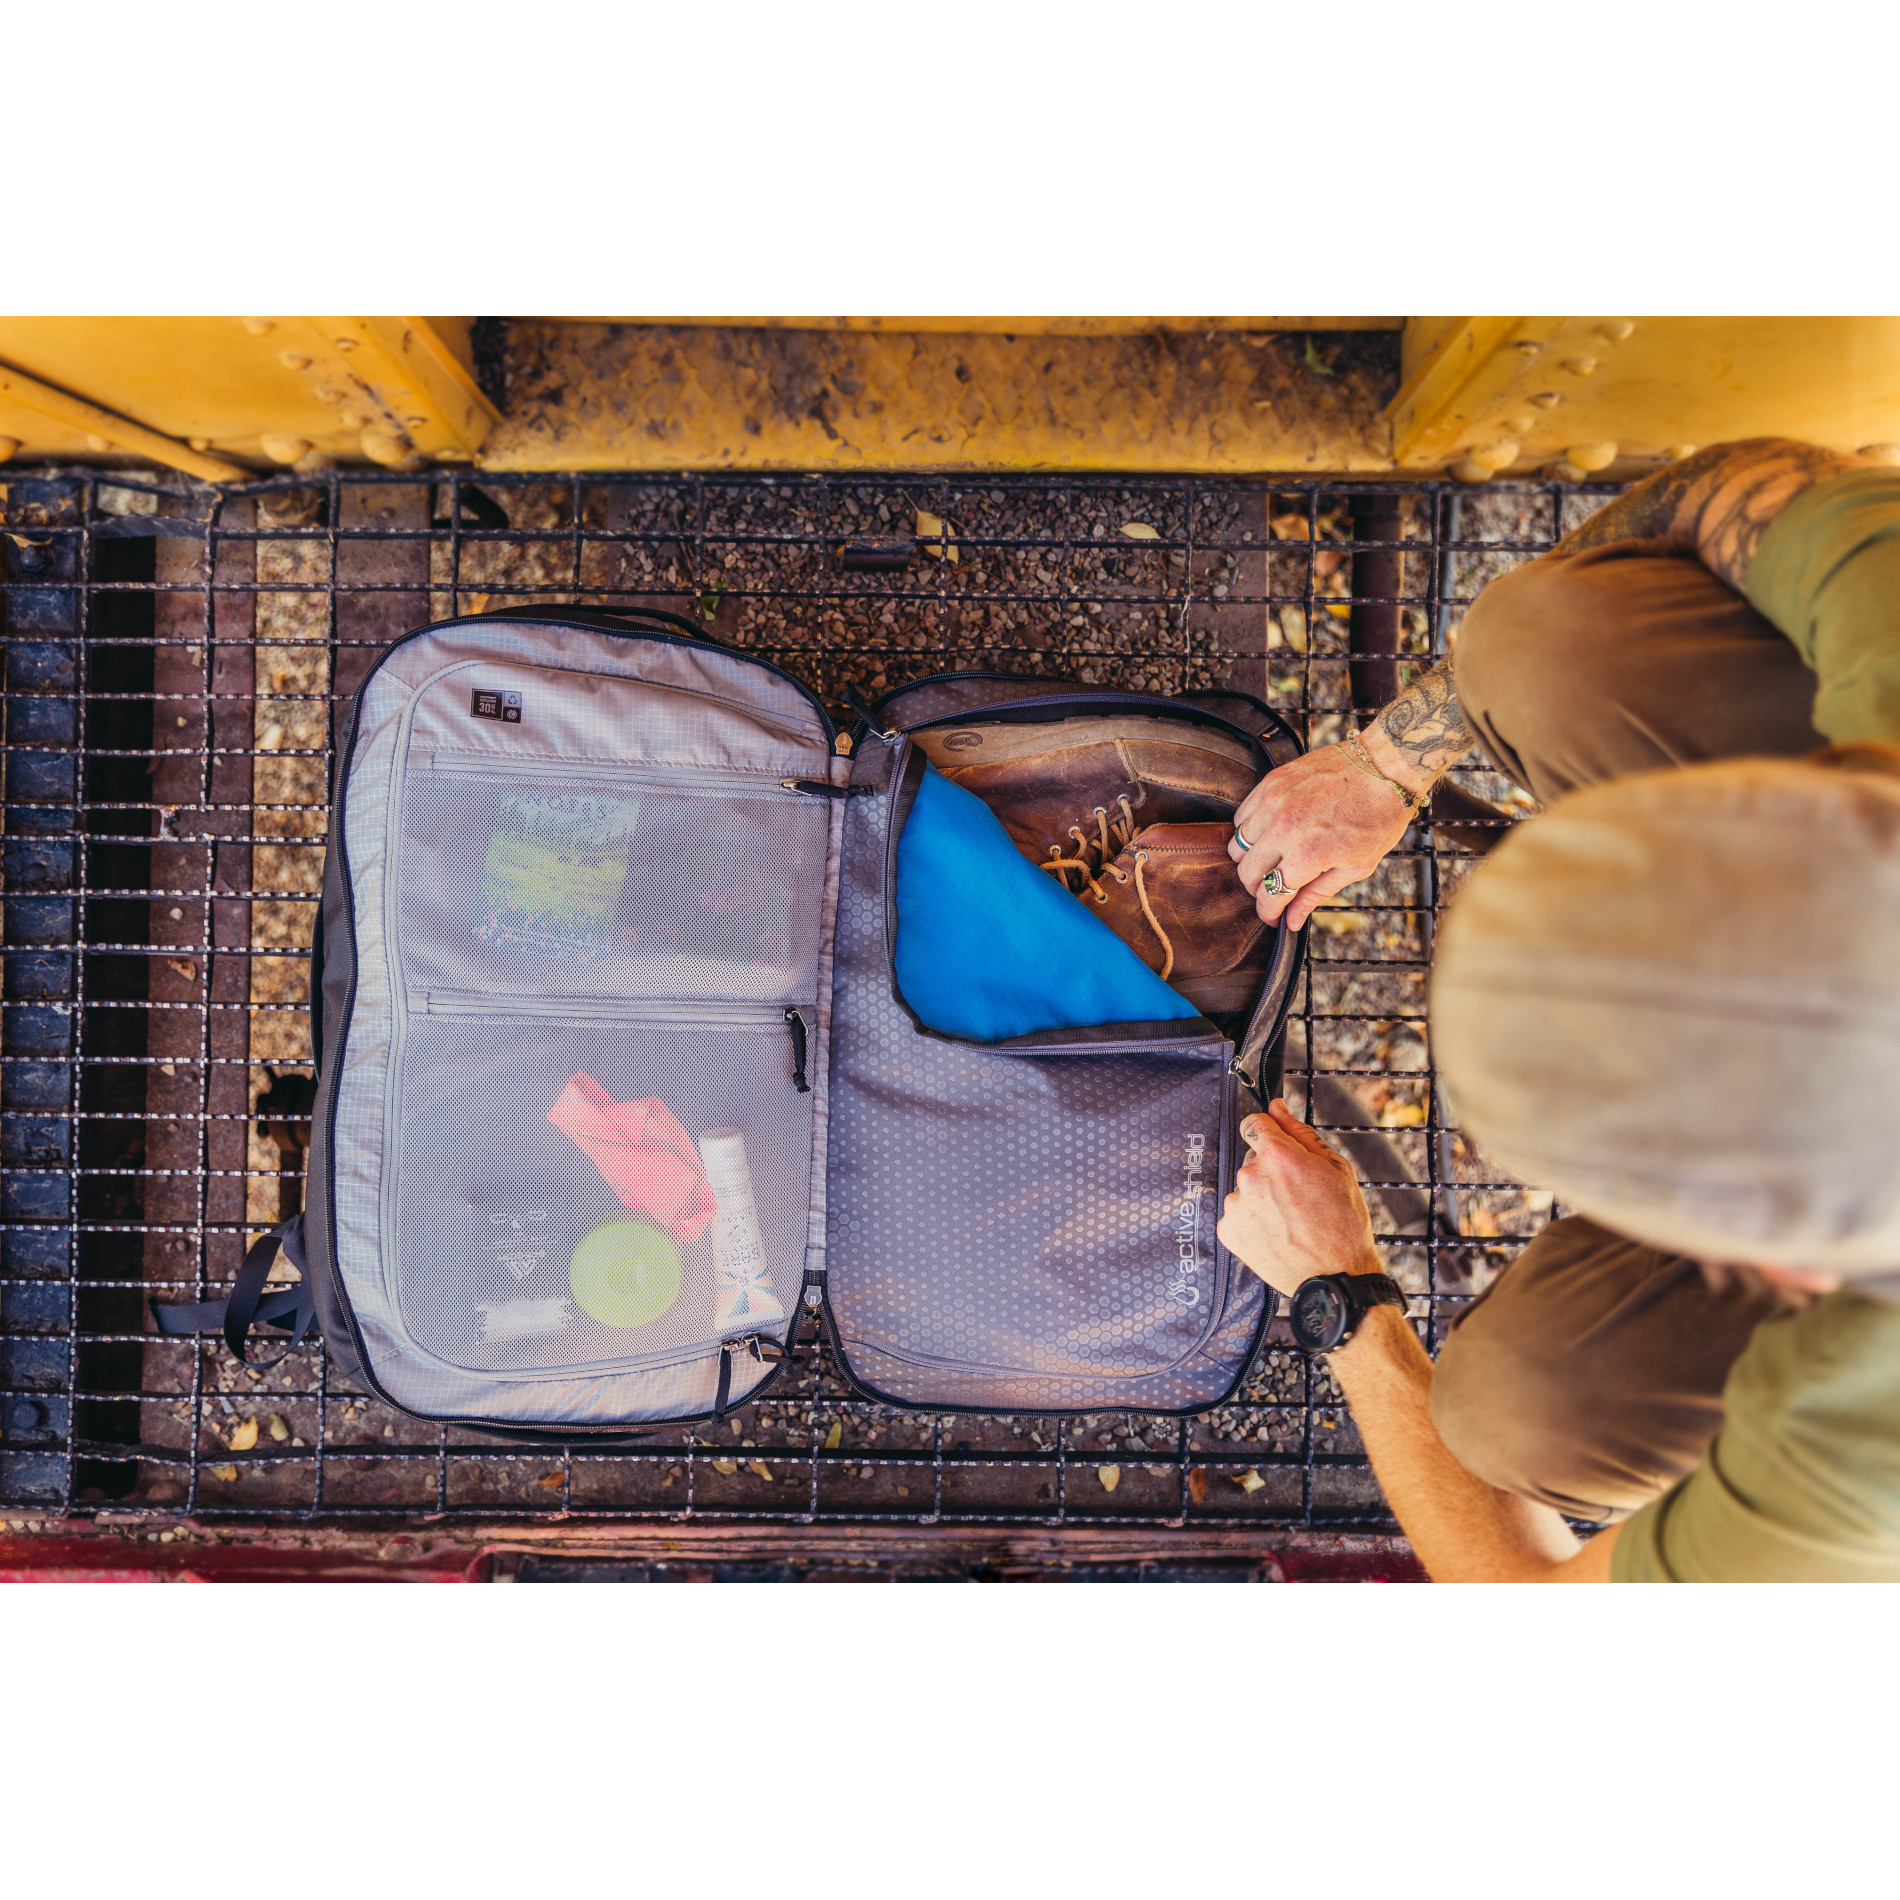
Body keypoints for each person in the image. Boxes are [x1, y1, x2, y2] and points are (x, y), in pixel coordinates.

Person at [1212, 436, 1900, 1580]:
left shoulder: (1865, 1448)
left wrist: (1342, 1296)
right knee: (1545, 642)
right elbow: (1733, 486)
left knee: (1522, 1415)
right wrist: (1390, 759)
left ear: (1783, 1279)